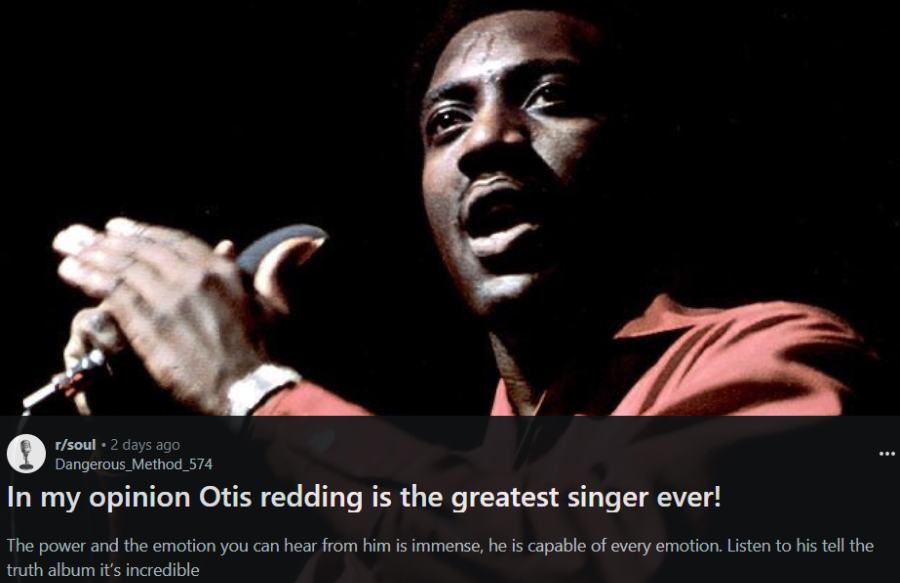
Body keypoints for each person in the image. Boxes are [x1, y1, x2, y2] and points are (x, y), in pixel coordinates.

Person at [53, 3, 876, 420]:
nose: (486, 139)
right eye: (444, 123)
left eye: (549, 96)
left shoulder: (783, 353)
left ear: (642, 159)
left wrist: (249, 387)